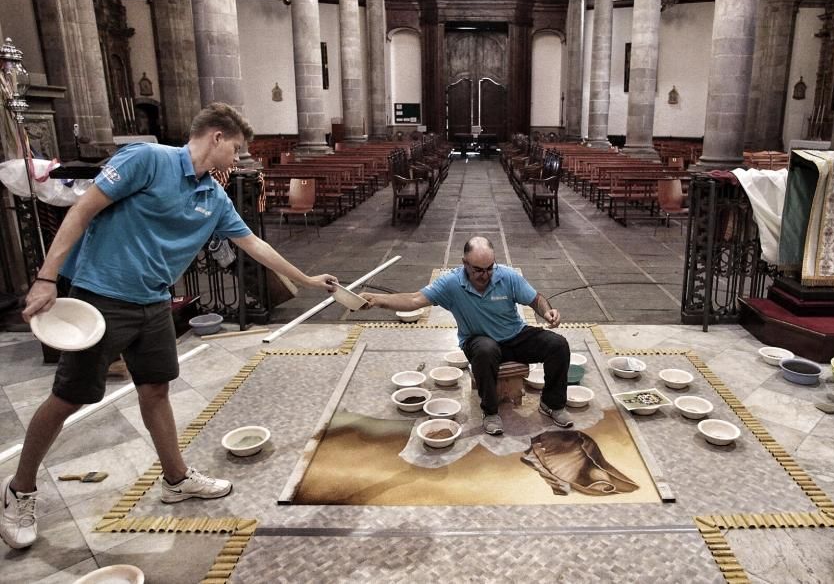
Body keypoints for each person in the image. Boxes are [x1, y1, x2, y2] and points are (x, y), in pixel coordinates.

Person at [2, 103, 339, 550]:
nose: (237, 161)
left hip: (154, 302)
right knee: (70, 396)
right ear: (217, 137)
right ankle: (19, 490)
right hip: (103, 295)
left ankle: (175, 479)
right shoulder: (148, 159)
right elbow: (81, 211)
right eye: (236, 150)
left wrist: (306, 279)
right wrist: (46, 278)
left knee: (156, 388)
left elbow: (252, 244)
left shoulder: (213, 197)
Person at [360, 236, 572, 436]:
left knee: (558, 344)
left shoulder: (506, 276)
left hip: (514, 335)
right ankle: (490, 412)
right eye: (478, 270)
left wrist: (546, 311)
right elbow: (414, 300)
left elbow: (536, 299)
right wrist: (378, 300)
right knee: (486, 350)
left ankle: (552, 404)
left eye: (489, 268)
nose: (485, 275)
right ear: (464, 263)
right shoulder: (451, 283)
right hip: (478, 340)